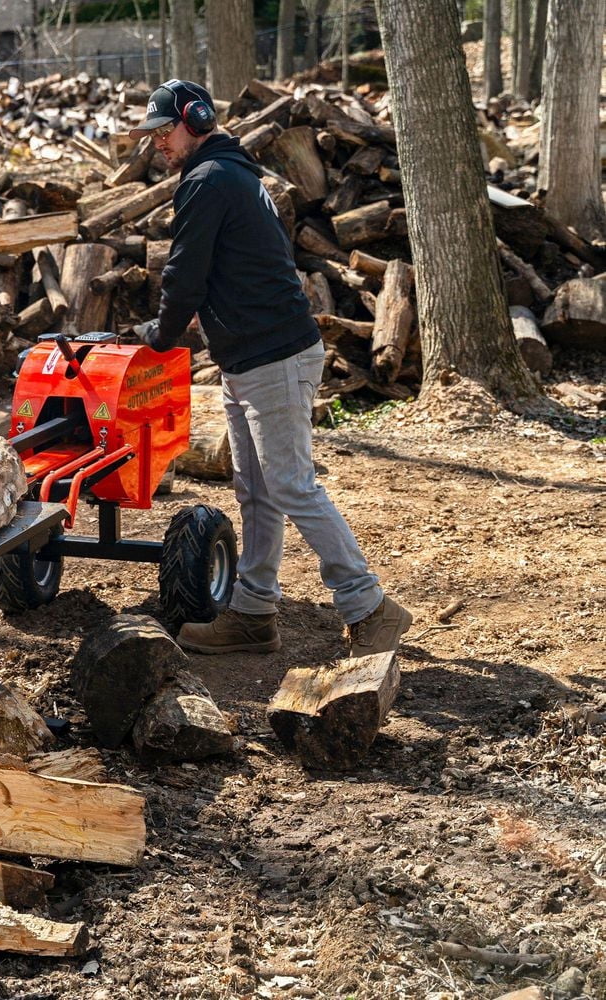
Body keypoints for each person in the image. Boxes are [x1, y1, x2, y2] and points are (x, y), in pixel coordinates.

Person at [128, 79, 410, 658]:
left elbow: (185, 275)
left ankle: (370, 605)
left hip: (273, 355)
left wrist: (160, 335)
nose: (158, 143)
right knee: (255, 488)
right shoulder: (233, 175)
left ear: (196, 120)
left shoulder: (209, 180)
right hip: (250, 356)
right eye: (153, 134)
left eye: (164, 131)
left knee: (289, 484)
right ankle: (254, 613)